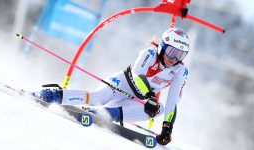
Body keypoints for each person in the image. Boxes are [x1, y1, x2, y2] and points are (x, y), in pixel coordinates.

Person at [35, 28, 189, 146]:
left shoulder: (180, 71)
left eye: (180, 55)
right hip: (123, 83)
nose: (174, 59)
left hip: (137, 99)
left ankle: (106, 114)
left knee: (159, 109)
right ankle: (53, 95)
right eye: (171, 52)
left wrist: (167, 128)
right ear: (162, 46)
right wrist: (150, 96)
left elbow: (173, 101)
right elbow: (137, 75)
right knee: (97, 98)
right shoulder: (149, 53)